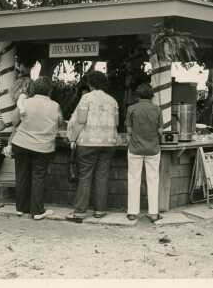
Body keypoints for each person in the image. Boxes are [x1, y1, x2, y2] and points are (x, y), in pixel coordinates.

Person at [66, 71, 119, 221]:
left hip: (88, 142)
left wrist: (73, 139)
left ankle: (80, 212)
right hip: (108, 143)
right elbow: (116, 123)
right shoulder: (113, 101)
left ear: (90, 84)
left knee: (85, 176)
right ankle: (100, 211)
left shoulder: (86, 98)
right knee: (102, 176)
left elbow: (81, 120)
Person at [11, 76, 63, 220]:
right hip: (43, 146)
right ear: (50, 90)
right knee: (38, 178)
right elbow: (59, 122)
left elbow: (14, 121)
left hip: (21, 143)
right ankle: (37, 211)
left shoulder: (25, 102)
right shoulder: (55, 106)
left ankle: (21, 208)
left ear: (34, 89)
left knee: (22, 175)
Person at [125, 83, 163, 222]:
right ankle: (153, 213)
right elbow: (160, 131)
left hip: (135, 149)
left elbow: (129, 131)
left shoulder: (131, 109)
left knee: (134, 179)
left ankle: (132, 212)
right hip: (153, 149)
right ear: (151, 95)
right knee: (153, 180)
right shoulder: (157, 109)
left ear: (138, 95)